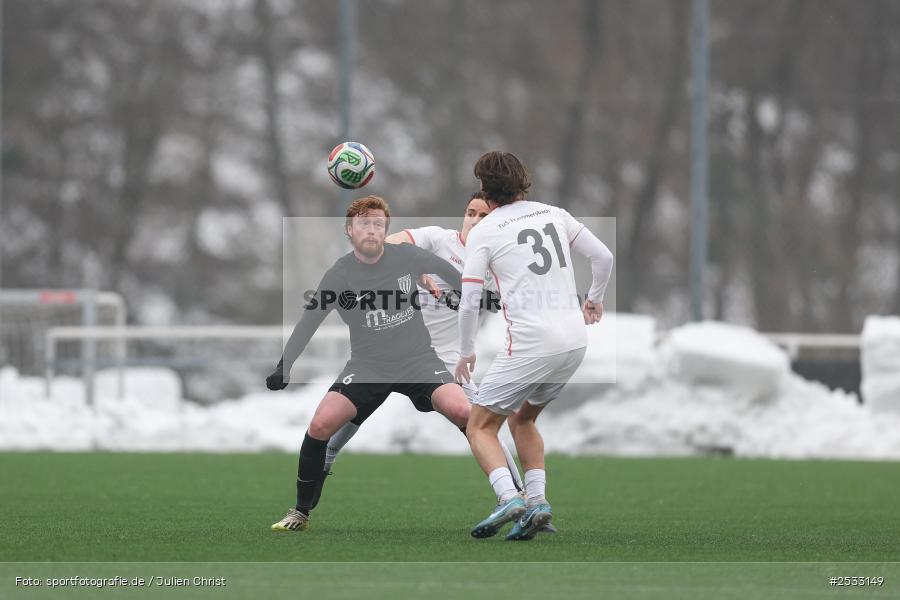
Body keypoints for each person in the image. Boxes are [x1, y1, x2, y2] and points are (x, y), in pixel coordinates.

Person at [290, 191, 526, 513]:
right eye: (471, 212)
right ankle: (321, 469)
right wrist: (415, 268)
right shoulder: (438, 239)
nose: (474, 220)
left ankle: (517, 495)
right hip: (395, 346)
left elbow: (499, 304)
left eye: (484, 216)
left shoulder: (499, 263)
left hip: (442, 361)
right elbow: (392, 241)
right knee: (344, 418)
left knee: (476, 422)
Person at [265, 195, 483, 532]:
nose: (372, 229)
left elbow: (444, 270)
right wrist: (285, 365)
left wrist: (464, 297)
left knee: (466, 413)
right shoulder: (340, 275)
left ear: (385, 230)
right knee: (321, 425)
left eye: (378, 224)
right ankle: (300, 512)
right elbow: (309, 322)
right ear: (349, 231)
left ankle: (512, 495)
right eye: (364, 223)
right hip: (368, 368)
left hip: (418, 361)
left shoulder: (406, 256)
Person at [454, 151, 614, 540]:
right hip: (574, 342)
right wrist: (593, 298)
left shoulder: (485, 231)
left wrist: (465, 351)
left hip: (531, 344)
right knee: (522, 418)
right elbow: (603, 256)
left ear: (483, 189)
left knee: (479, 426)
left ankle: (510, 497)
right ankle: (538, 502)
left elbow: (470, 299)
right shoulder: (553, 213)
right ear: (523, 181)